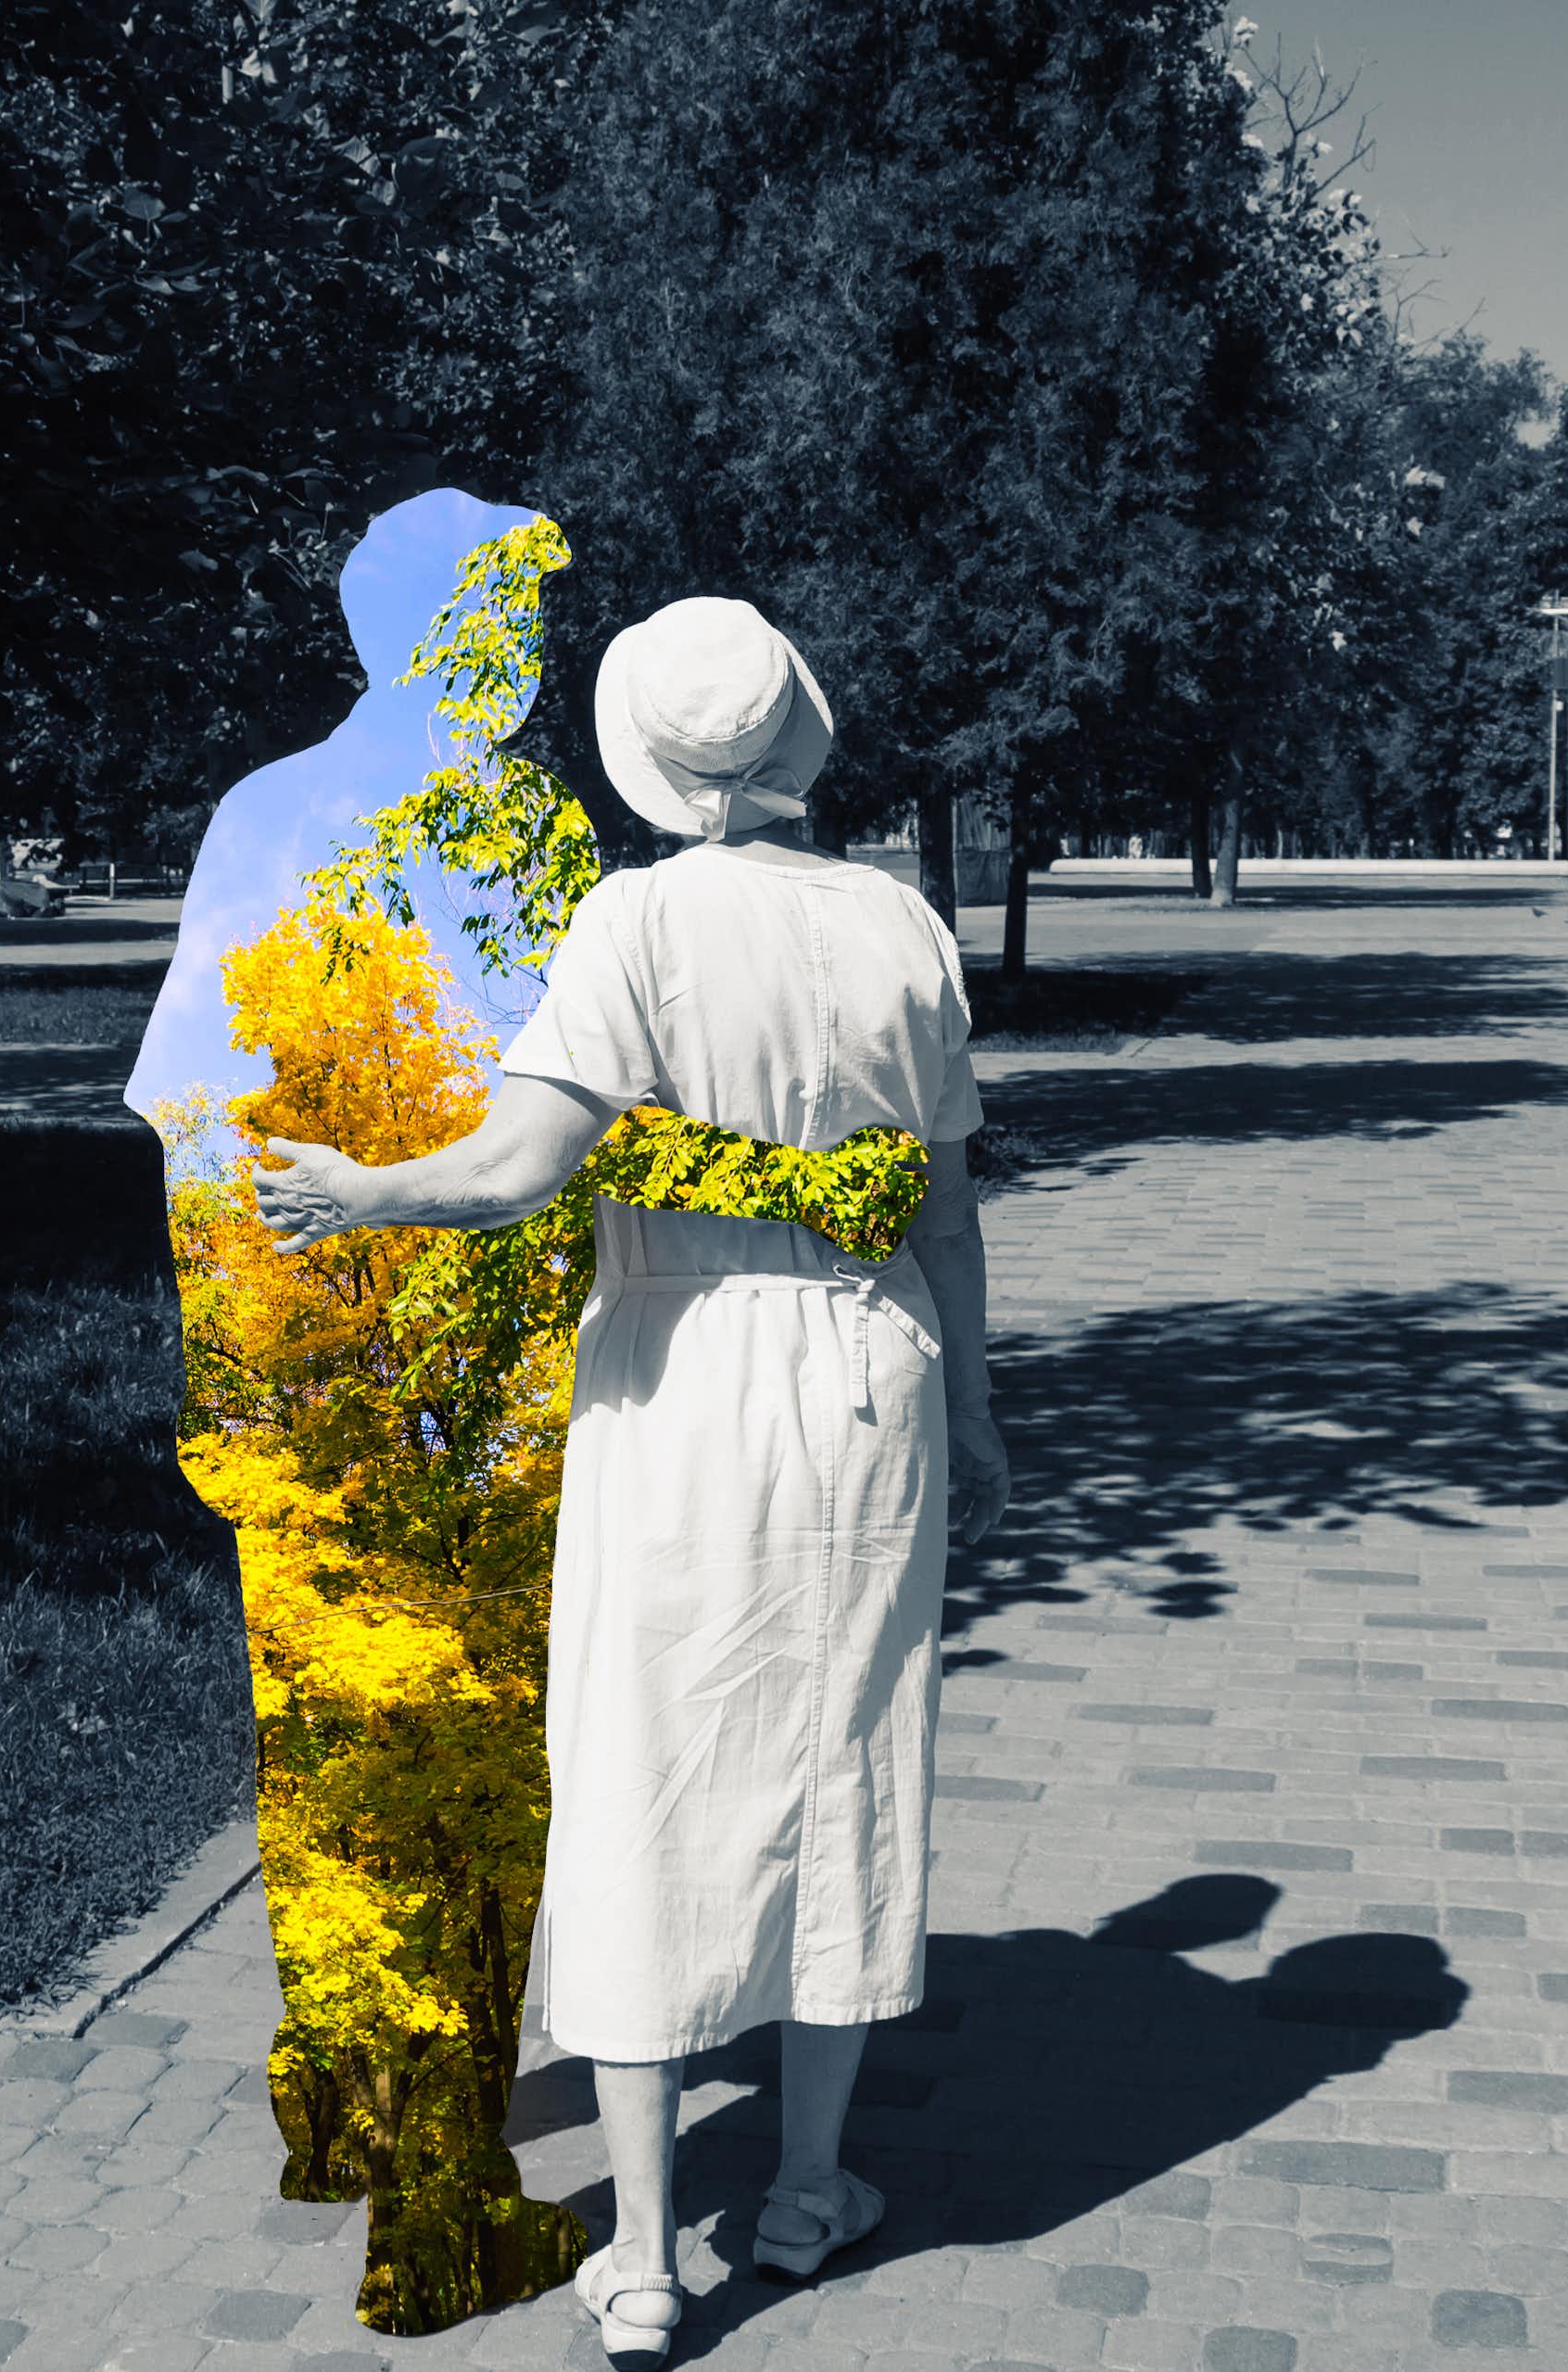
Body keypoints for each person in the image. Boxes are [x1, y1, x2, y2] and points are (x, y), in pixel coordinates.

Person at [253, 594, 1012, 2361]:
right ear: (796, 736)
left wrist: (352, 1188)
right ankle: (811, 2194)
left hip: (684, 1386)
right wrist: (976, 1417)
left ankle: (654, 2257)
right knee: (850, 1757)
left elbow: (520, 1165)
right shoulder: (902, 921)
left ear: (654, 760)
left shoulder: (639, 920)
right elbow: (954, 1218)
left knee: (647, 1771)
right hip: (870, 1376)